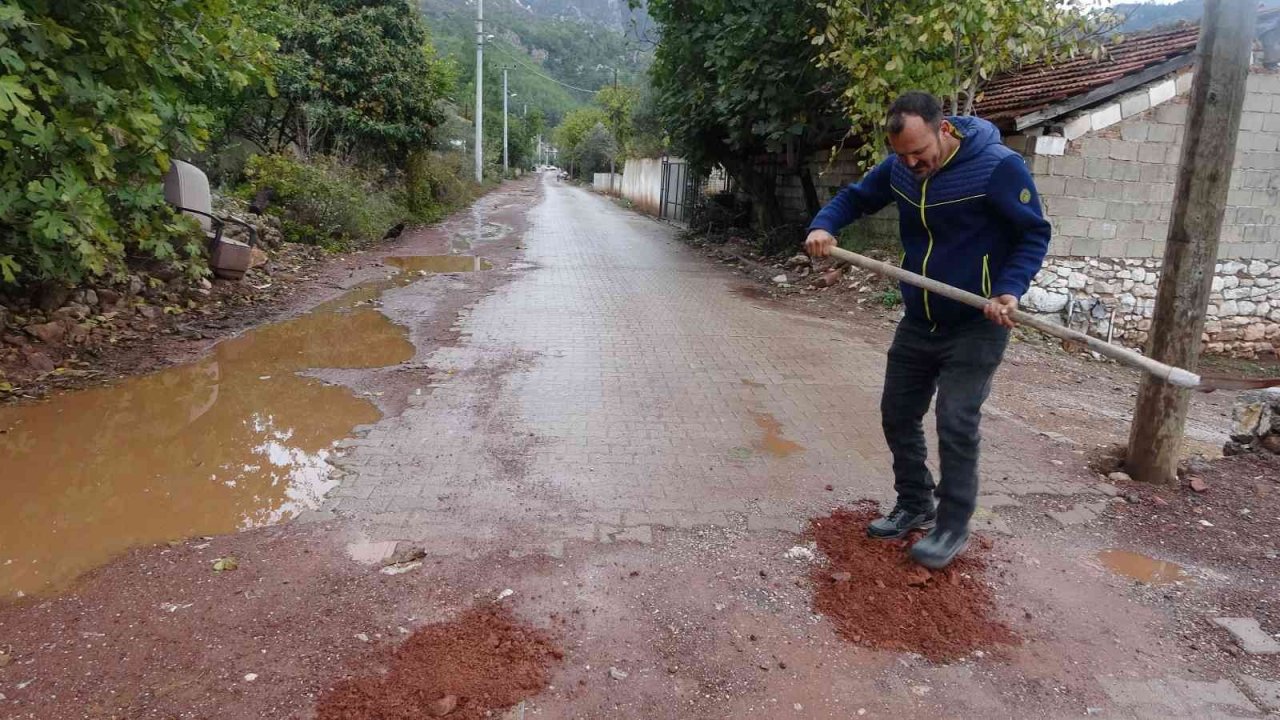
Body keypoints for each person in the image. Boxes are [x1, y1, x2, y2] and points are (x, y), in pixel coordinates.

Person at [805, 91, 1051, 569]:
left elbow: (1033, 232)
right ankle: (915, 502)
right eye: (902, 154)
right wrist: (824, 225)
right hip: (921, 318)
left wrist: (1009, 289)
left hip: (977, 321)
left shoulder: (997, 167)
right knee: (897, 413)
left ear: (945, 129)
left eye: (919, 151)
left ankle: (953, 525)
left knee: (956, 420)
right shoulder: (899, 167)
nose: (912, 162)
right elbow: (856, 197)